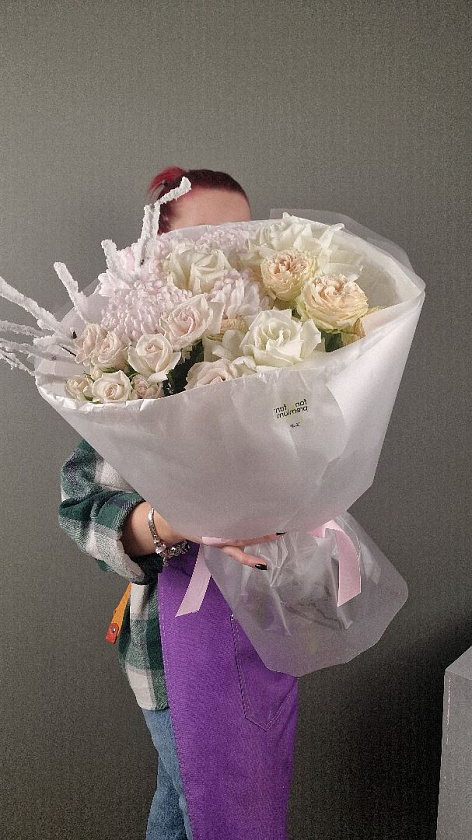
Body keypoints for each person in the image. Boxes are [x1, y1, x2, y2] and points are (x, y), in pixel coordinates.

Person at [58, 167, 298, 840]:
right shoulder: (131, 371)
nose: (225, 260)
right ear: (156, 254)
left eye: (240, 241)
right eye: (203, 242)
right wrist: (169, 521)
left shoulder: (278, 354)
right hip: (172, 645)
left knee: (194, 803)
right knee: (215, 807)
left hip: (265, 626)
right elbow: (81, 509)